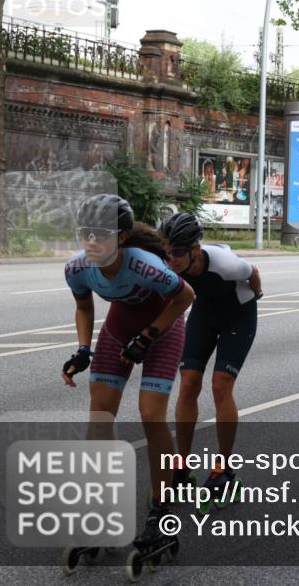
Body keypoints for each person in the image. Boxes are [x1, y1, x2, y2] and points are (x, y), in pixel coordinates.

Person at [61, 194, 195, 549]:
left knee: (151, 416)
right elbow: (84, 307)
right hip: (119, 327)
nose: (91, 242)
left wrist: (148, 336)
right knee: (99, 417)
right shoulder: (77, 268)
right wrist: (82, 349)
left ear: (121, 237)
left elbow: (186, 297)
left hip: (163, 329)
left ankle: (161, 511)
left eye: (100, 234)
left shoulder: (144, 265)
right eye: (85, 233)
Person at [159, 213, 262, 508]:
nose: (171, 260)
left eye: (177, 253)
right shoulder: (168, 262)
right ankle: (182, 465)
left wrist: (257, 295)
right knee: (189, 382)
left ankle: (224, 469)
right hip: (204, 312)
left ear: (195, 249)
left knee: (220, 385)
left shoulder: (225, 263)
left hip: (238, 313)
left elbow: (253, 272)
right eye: (167, 253)